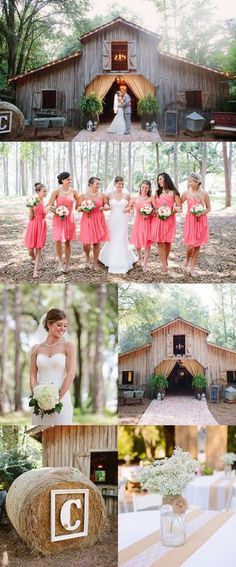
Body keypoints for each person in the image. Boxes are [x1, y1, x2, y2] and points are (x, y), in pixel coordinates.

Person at [30, 308, 76, 425]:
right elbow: (32, 375)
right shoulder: (36, 349)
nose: (63, 329)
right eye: (59, 325)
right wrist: (37, 397)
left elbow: (70, 374)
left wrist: (56, 399)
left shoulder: (68, 346)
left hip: (62, 397)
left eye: (65, 326)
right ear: (49, 324)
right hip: (39, 400)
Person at [99, 176, 137, 274]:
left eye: (122, 184)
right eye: (119, 184)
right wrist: (105, 207)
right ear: (115, 184)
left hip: (123, 219)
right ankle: (109, 259)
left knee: (121, 238)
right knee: (113, 237)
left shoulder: (127, 195)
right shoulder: (109, 195)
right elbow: (106, 206)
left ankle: (122, 260)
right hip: (113, 219)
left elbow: (131, 207)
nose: (121, 185)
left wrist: (129, 210)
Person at [48, 172, 79, 273]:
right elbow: (49, 205)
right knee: (57, 240)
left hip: (69, 219)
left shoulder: (74, 191)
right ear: (62, 180)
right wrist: (57, 211)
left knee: (67, 242)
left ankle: (67, 263)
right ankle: (60, 262)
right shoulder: (56, 191)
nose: (70, 181)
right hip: (58, 219)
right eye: (68, 179)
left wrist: (85, 208)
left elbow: (78, 204)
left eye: (70, 179)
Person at [151, 173, 182, 273]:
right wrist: (154, 210)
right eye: (158, 180)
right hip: (158, 220)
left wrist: (170, 212)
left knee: (168, 242)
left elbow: (179, 207)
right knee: (160, 241)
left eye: (160, 179)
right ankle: (164, 266)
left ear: (166, 179)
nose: (159, 181)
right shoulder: (157, 192)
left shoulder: (174, 193)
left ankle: (165, 261)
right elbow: (153, 206)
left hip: (169, 219)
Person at [181, 172, 210, 277]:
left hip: (200, 221)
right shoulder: (186, 193)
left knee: (197, 245)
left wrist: (200, 213)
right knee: (189, 245)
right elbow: (179, 203)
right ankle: (187, 258)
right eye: (188, 181)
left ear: (197, 182)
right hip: (189, 221)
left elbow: (208, 208)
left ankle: (192, 268)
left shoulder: (204, 193)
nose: (189, 183)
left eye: (191, 181)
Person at [78, 177, 109, 271]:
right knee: (86, 244)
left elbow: (107, 206)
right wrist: (84, 208)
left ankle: (95, 262)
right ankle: (87, 257)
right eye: (97, 184)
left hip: (98, 219)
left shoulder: (103, 195)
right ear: (91, 184)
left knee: (96, 242)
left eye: (99, 184)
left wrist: (104, 208)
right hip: (87, 219)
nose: (98, 186)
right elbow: (78, 208)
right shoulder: (83, 195)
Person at [128, 180, 153, 272]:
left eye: (146, 188)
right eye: (143, 187)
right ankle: (139, 255)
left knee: (147, 244)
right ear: (140, 187)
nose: (144, 189)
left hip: (148, 223)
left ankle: (145, 264)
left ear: (149, 188)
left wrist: (149, 214)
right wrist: (131, 210)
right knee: (137, 243)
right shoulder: (135, 198)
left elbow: (155, 211)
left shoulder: (151, 198)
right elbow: (129, 207)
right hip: (138, 222)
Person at [24, 183, 47, 278]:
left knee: (38, 249)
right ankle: (35, 261)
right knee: (30, 250)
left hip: (41, 225)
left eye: (46, 191)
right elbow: (30, 218)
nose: (46, 193)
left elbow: (45, 213)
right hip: (33, 225)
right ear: (38, 192)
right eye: (44, 191)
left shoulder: (46, 202)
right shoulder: (33, 201)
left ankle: (35, 271)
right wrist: (30, 209)